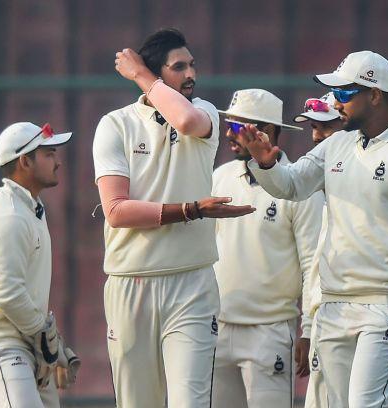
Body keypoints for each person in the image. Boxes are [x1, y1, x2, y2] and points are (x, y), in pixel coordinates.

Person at [238, 51, 388, 407]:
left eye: (345, 93)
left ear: (376, 95)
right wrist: (265, 162)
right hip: (335, 303)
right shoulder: (335, 144)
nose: (336, 102)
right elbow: (291, 185)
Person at [93, 28, 254, 407]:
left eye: (192, 65)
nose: (190, 74)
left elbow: (184, 122)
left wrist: (142, 76)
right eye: (178, 67)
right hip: (131, 282)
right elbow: (116, 212)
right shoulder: (115, 124)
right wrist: (191, 210)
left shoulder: (206, 113)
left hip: (192, 284)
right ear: (156, 73)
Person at [211, 88, 324, 408]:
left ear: (268, 132)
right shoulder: (221, 177)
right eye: (228, 126)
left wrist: (308, 331)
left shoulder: (299, 186)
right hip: (216, 327)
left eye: (238, 128)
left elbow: (312, 264)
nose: (230, 135)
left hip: (271, 331)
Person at [0, 122, 79, 408]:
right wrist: (47, 337)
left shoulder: (31, 207)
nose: (58, 161)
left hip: (27, 341)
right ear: (25, 161)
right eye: (49, 154)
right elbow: (9, 295)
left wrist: (50, 344)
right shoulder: (9, 217)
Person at [292, 92, 343, 408]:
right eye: (313, 127)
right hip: (325, 315)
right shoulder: (322, 185)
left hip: (353, 313)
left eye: (325, 126)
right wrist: (309, 327)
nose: (316, 136)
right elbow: (315, 266)